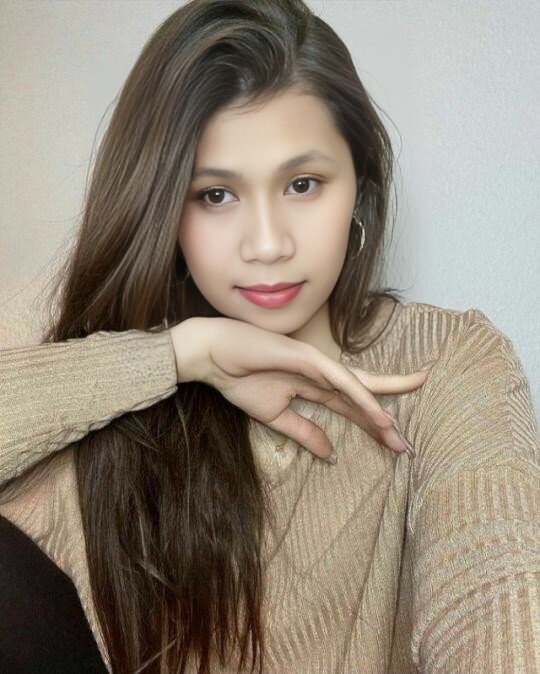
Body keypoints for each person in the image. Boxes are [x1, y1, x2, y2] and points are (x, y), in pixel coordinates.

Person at [0, 0, 538, 672]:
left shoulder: (448, 362)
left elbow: (498, 588)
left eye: (303, 184)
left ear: (360, 188)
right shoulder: (101, 384)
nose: (266, 244)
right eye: (215, 195)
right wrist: (179, 355)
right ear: (164, 208)